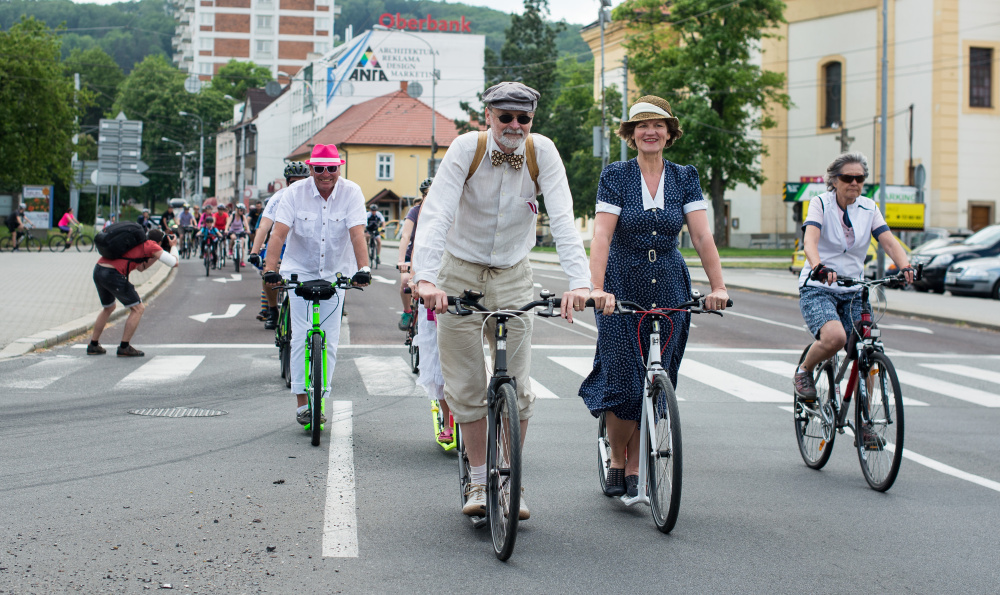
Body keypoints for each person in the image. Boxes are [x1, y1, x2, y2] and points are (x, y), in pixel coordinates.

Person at [414, 81, 592, 520]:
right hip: (459, 272)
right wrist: (425, 279)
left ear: (532, 119)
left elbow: (563, 218)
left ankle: (512, 480)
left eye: (523, 118)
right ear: (489, 116)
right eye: (505, 117)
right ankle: (478, 479)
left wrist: (580, 283)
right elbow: (437, 214)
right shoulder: (465, 148)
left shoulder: (542, 152)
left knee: (520, 387)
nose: (515, 125)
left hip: (514, 274)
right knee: (466, 386)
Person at [579, 95, 730, 497]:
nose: (650, 131)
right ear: (631, 134)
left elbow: (702, 236)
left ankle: (636, 464)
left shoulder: (685, 177)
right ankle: (617, 458)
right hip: (622, 281)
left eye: (658, 125)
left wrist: (718, 287)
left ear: (669, 132)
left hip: (668, 280)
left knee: (659, 375)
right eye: (642, 125)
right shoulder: (616, 175)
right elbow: (602, 236)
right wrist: (597, 288)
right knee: (624, 379)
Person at [793, 153, 914, 410]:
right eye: (848, 178)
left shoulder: (869, 208)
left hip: (854, 289)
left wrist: (905, 266)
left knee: (866, 348)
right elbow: (810, 241)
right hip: (819, 287)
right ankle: (804, 371)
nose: (854, 183)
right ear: (834, 180)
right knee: (835, 337)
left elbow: (889, 242)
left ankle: (864, 419)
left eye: (860, 178)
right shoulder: (820, 204)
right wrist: (818, 266)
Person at [262, 145, 371, 425]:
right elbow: (278, 234)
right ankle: (302, 403)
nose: (326, 174)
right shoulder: (294, 193)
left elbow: (357, 234)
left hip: (336, 273)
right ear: (310, 168)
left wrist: (363, 268)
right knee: (300, 336)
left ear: (339, 168)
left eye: (331, 168)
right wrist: (270, 269)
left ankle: (320, 397)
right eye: (319, 168)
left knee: (330, 340)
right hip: (299, 271)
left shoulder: (352, 192)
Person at [88, 228, 178, 357]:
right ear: (159, 242)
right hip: (113, 274)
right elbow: (174, 263)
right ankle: (124, 347)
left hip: (99, 270)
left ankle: (93, 345)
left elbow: (141, 267)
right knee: (138, 308)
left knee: (109, 307)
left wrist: (156, 255)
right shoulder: (151, 245)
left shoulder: (136, 243)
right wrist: (173, 246)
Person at [249, 161, 310, 328]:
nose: (297, 186)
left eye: (302, 181)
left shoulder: (315, 197)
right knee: (269, 272)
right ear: (287, 182)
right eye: (293, 182)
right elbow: (264, 226)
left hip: (304, 245)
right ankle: (272, 309)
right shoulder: (278, 198)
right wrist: (254, 251)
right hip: (281, 243)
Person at [396, 178, 432, 330]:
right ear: (423, 196)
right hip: (412, 255)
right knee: (406, 281)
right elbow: (405, 236)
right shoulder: (415, 211)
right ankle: (407, 311)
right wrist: (401, 261)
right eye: (427, 194)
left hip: (431, 257)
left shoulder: (440, 211)